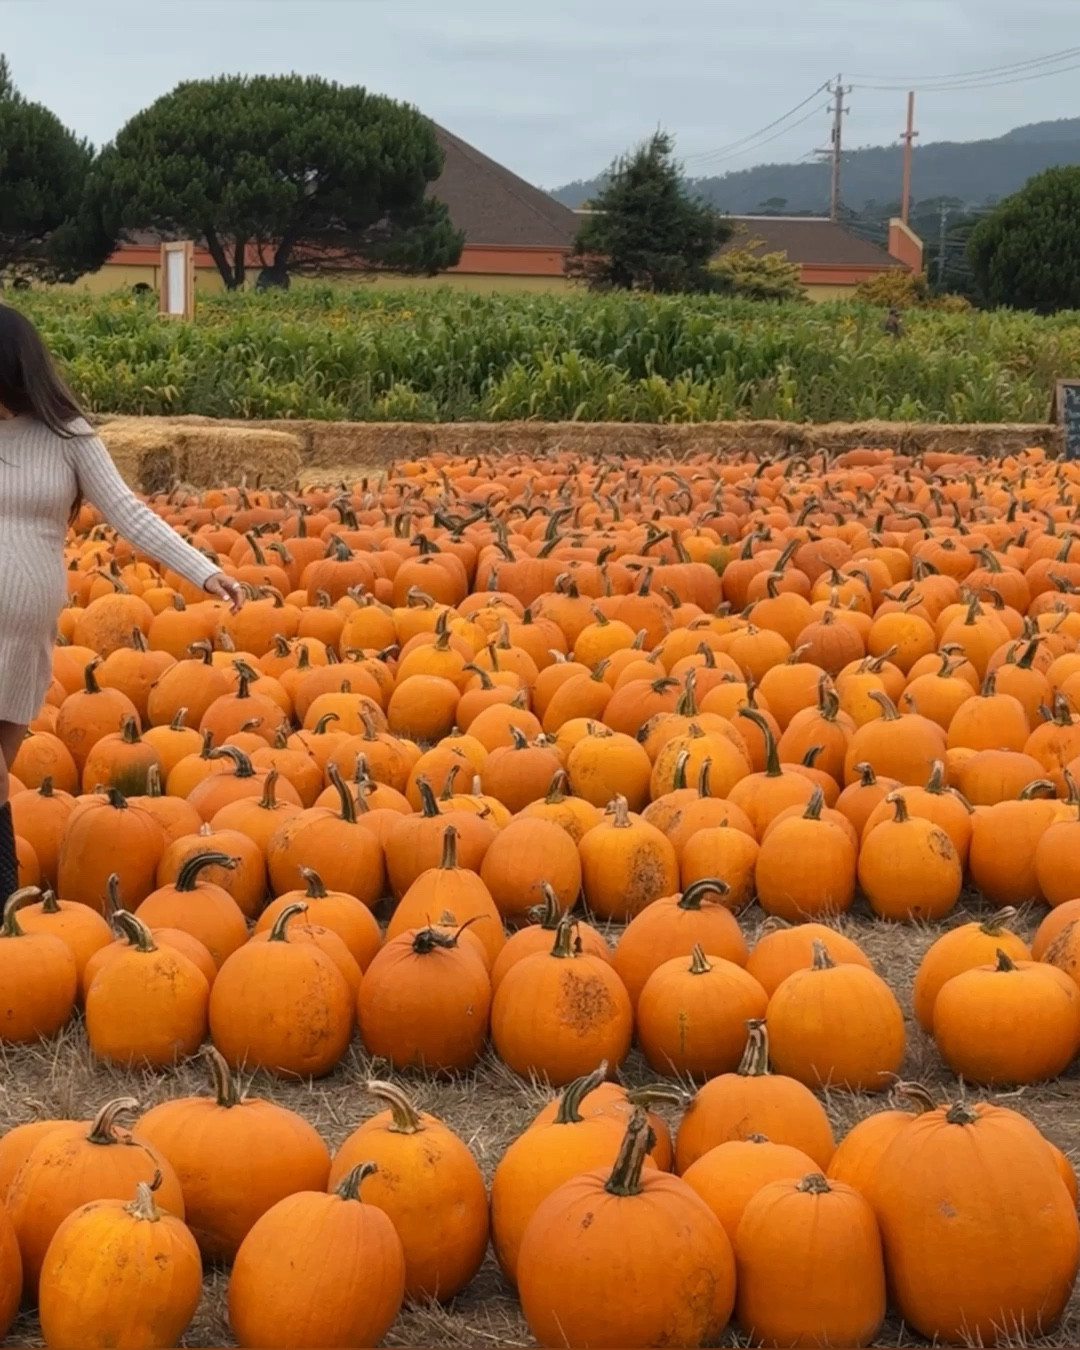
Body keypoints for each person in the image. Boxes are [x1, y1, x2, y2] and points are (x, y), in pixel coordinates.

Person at [0, 303, 243, 902]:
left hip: (25, 625)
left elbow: (128, 511)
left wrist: (204, 572)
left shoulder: (66, 436)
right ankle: (2, 897)